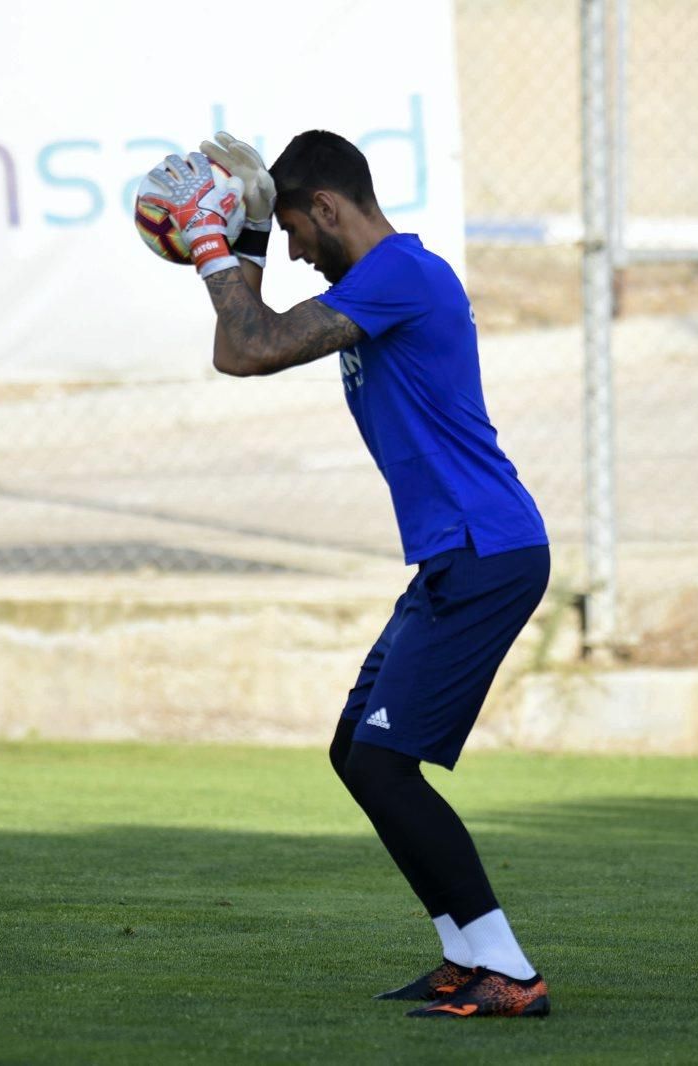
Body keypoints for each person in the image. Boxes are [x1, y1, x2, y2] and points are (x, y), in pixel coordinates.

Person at [145, 131, 552, 1019]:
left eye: (293, 229)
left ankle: (509, 972)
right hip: (459, 554)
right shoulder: (374, 285)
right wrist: (245, 231)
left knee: (383, 763)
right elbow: (238, 345)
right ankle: (464, 954)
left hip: (487, 551)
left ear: (328, 208)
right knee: (355, 754)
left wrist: (212, 241)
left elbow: (251, 345)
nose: (294, 250)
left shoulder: (404, 276)